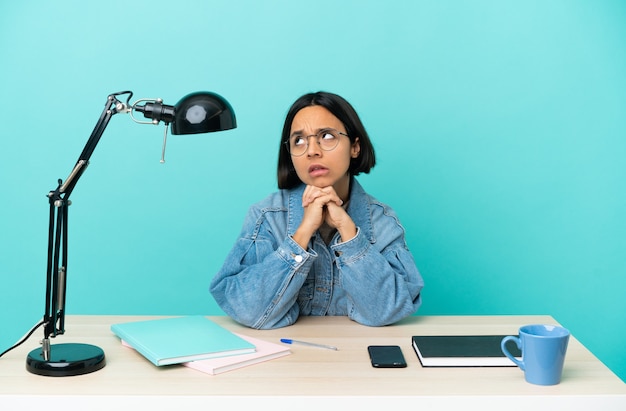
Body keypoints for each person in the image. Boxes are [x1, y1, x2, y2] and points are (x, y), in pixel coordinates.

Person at [210, 91, 424, 329]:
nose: (312, 150)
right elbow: (248, 310)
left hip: (356, 355)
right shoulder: (267, 216)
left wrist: (348, 231)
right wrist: (302, 233)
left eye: (327, 136)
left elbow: (386, 311)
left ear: (355, 147)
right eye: (299, 141)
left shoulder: (382, 221)